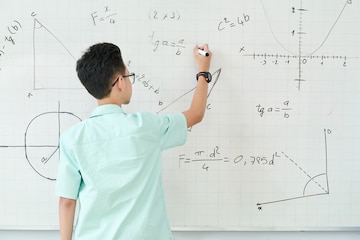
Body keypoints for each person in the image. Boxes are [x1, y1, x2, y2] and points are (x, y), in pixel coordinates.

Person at [55, 42, 212, 240]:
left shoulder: (72, 138)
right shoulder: (147, 126)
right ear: (120, 81)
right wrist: (203, 71)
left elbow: (67, 201)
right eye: (129, 77)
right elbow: (196, 114)